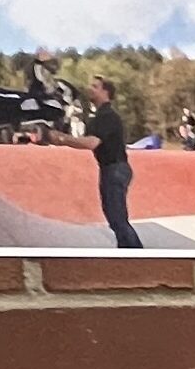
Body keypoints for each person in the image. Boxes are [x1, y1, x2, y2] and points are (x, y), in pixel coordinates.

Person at [38, 74, 142, 250]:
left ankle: (137, 256)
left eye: (95, 87)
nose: (90, 89)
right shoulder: (99, 117)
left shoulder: (107, 116)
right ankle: (128, 252)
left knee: (117, 219)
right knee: (115, 217)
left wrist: (60, 138)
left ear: (106, 92)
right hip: (111, 168)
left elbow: (91, 143)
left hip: (114, 169)